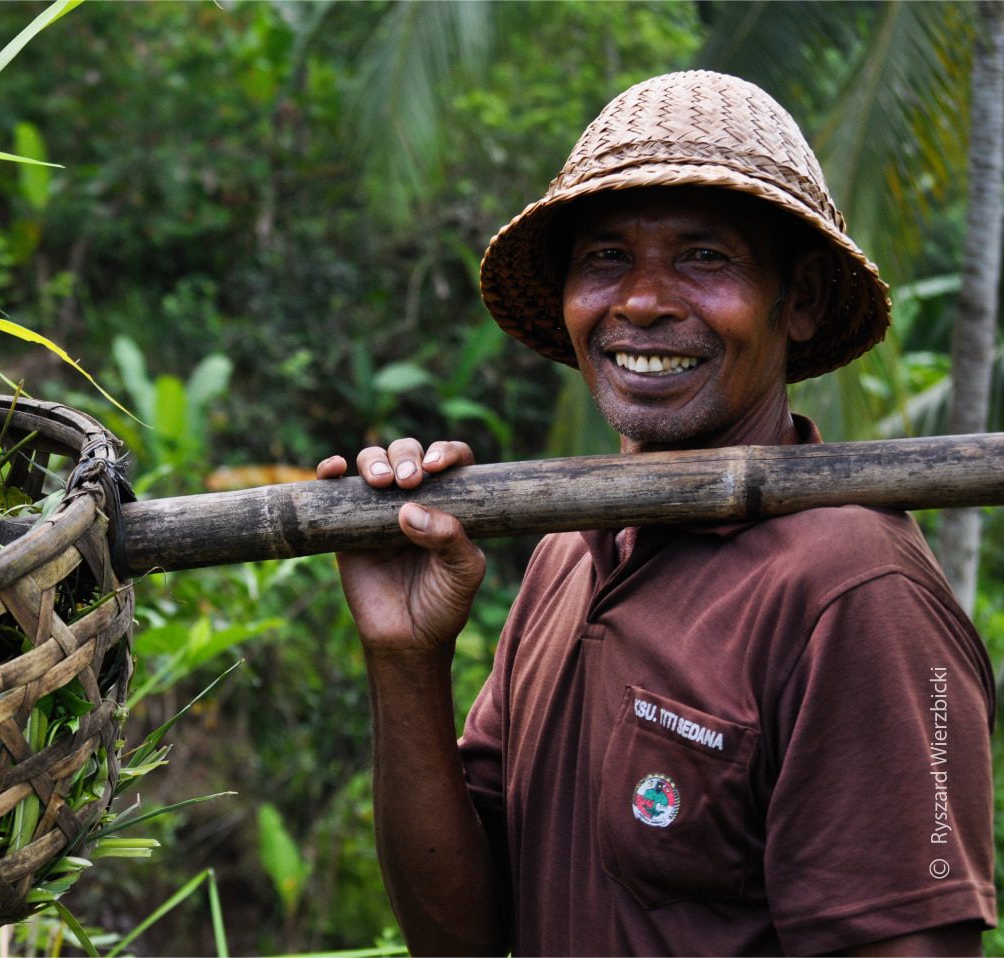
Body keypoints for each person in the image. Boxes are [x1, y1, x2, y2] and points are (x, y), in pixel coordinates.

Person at [316, 71, 996, 956]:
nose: (640, 301)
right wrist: (406, 659)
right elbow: (463, 938)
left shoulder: (854, 590)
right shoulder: (572, 545)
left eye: (704, 257)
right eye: (606, 258)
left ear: (804, 300)